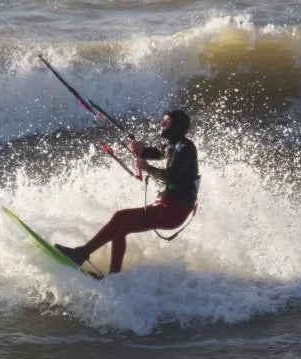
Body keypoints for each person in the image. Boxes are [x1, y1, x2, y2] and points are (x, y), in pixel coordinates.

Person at [55, 109, 199, 274]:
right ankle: (114, 276)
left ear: (176, 126)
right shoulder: (172, 145)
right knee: (120, 229)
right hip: (168, 206)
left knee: (120, 217)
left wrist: (147, 167)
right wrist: (140, 150)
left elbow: (170, 176)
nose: (161, 124)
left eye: (166, 122)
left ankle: (81, 254)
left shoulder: (185, 148)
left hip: (174, 210)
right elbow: (157, 153)